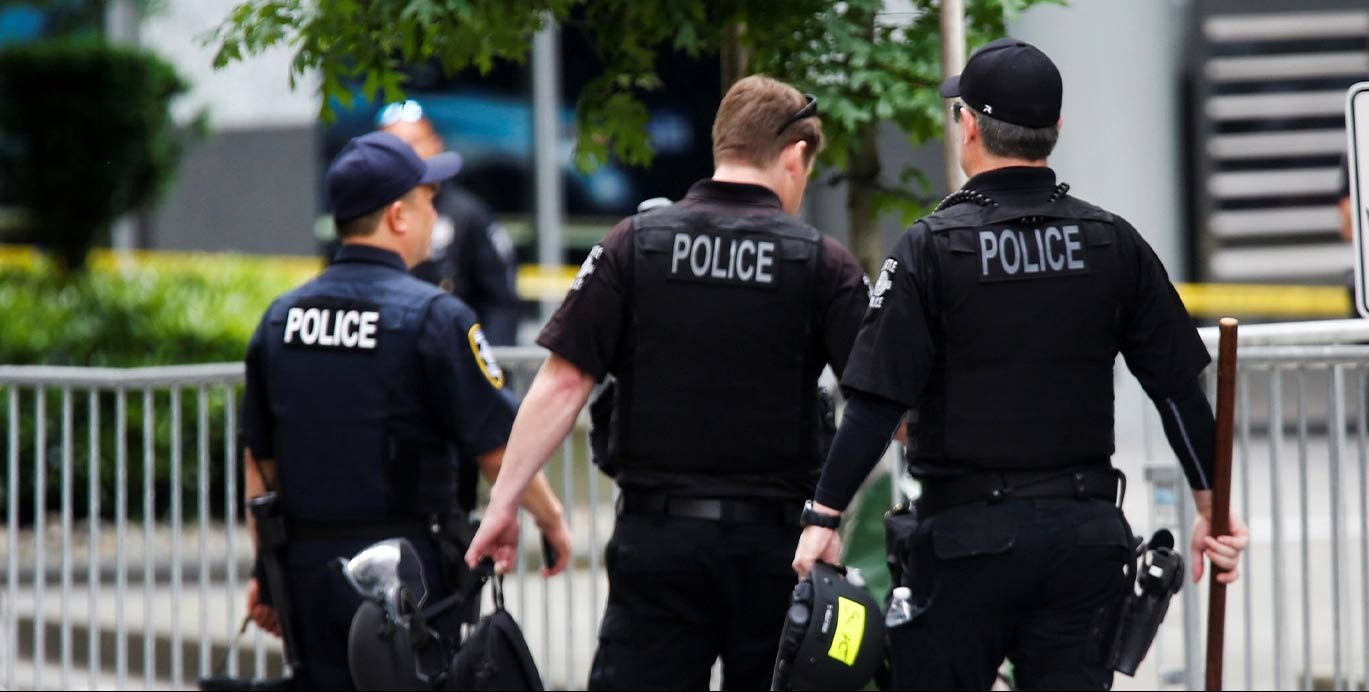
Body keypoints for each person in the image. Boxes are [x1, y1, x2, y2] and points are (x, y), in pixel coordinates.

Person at [791, 38, 1251, 691]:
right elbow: (1177, 389)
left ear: (969, 127)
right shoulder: (1112, 241)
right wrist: (1213, 508)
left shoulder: (930, 247)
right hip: (1083, 541)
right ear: (1055, 127)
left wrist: (824, 516)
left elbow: (877, 402)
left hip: (965, 545)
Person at [464, 75, 870, 690]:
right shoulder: (823, 262)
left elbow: (562, 385)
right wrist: (830, 516)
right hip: (778, 550)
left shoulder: (634, 244)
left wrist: (502, 505)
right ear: (794, 156)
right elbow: (877, 403)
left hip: (657, 544)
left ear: (723, 144)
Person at [239, 130, 573, 690]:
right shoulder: (435, 317)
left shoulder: (280, 320)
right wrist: (552, 519)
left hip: (305, 575)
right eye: (427, 202)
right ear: (398, 216)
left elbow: (259, 467)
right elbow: (498, 448)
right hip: (405, 576)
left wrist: (265, 573)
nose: (435, 214)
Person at [377, 99, 523, 345]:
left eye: (414, 143)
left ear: (436, 144)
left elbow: (501, 302)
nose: (406, 154)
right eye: (394, 146)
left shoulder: (468, 215)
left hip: (453, 350)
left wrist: (484, 361)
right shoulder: (368, 213)